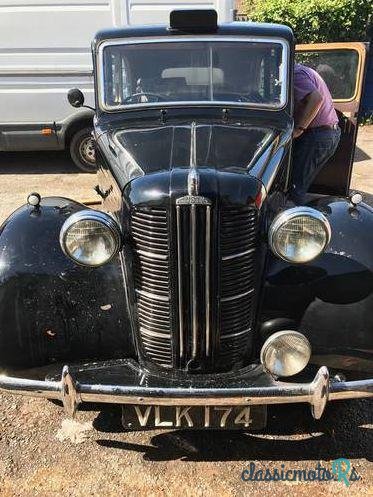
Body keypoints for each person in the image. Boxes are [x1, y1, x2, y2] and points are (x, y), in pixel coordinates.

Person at [290, 63, 341, 204]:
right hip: (326, 133)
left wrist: (299, 129)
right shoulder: (302, 70)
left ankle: (296, 222)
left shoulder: (294, 73)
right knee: (300, 182)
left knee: (296, 187)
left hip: (318, 136)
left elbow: (316, 99)